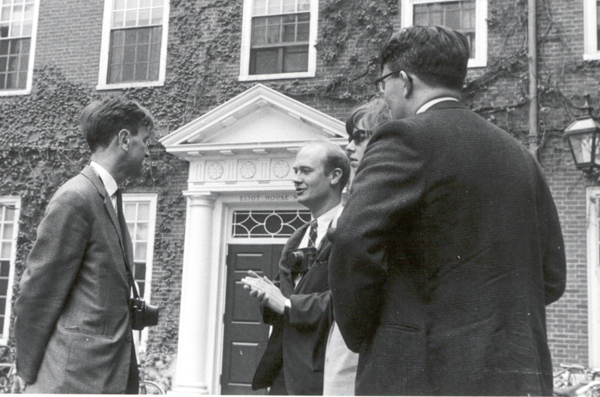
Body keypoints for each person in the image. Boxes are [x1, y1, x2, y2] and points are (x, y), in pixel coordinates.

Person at [328, 25, 566, 396]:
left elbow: (353, 236)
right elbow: (551, 277)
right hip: (519, 376)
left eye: (383, 83)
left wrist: (364, 333)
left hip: (422, 373)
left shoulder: (403, 138)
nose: (384, 96)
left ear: (403, 80)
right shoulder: (520, 155)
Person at [14, 97, 155, 394]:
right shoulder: (76, 198)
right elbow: (37, 293)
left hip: (104, 375)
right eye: (145, 141)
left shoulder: (106, 195)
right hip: (75, 381)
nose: (148, 150)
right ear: (125, 140)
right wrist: (25, 371)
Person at [241, 140, 350, 395]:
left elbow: (350, 299)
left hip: (324, 375)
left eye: (306, 171)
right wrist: (267, 295)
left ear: (335, 176)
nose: (296, 179)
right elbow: (285, 295)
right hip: (283, 374)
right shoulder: (297, 237)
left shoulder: (350, 231)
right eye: (295, 172)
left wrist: (288, 305)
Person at [323, 97, 392, 396]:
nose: (349, 146)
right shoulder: (357, 194)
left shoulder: (385, 194)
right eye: (350, 137)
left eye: (361, 137)